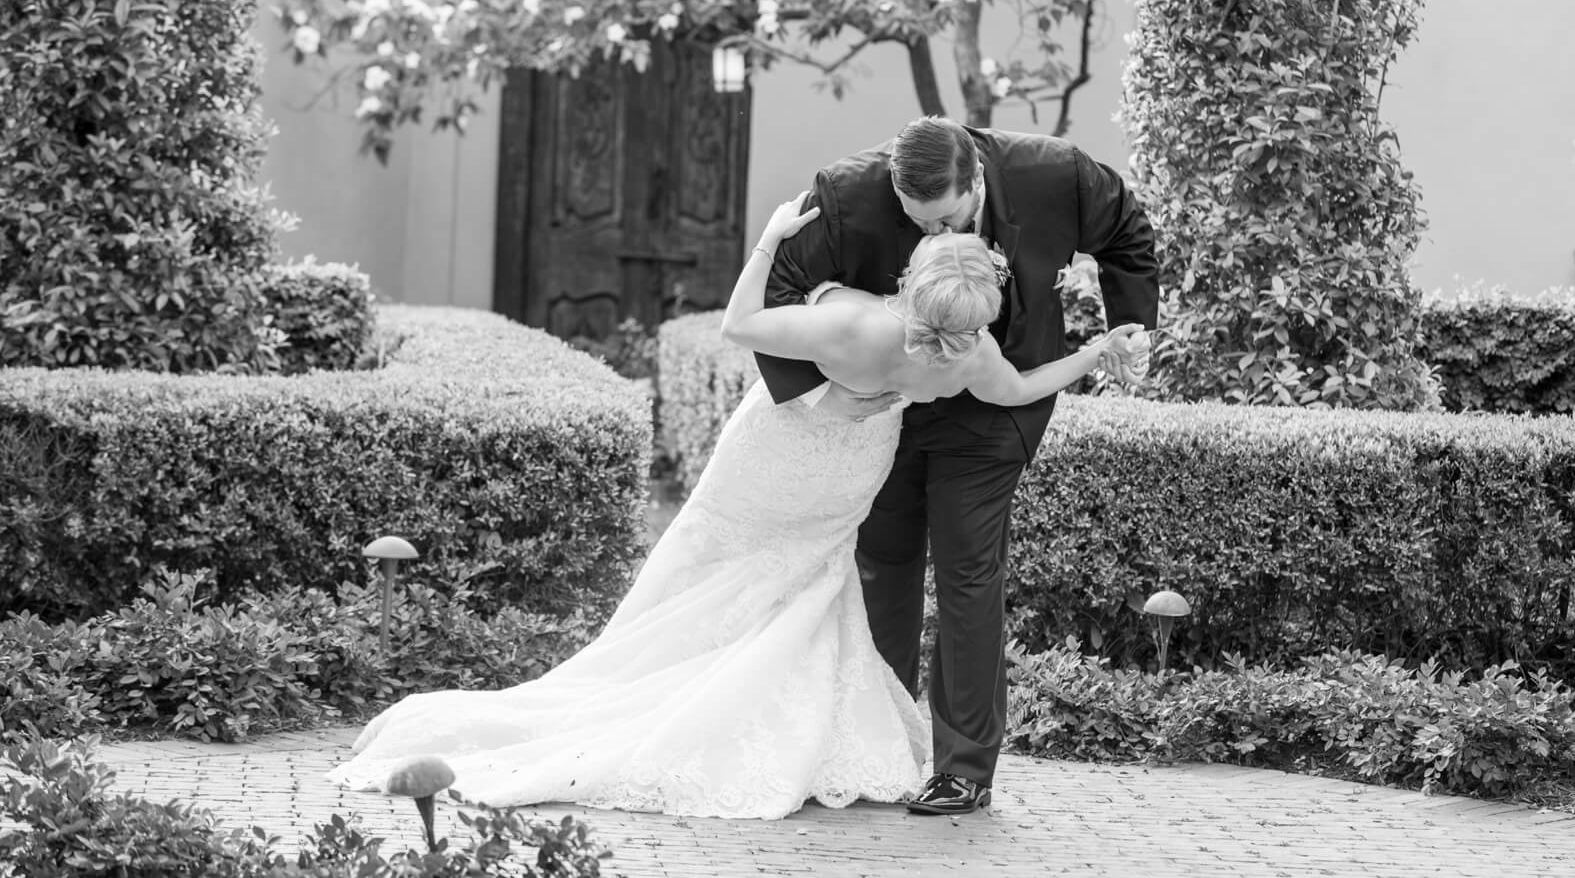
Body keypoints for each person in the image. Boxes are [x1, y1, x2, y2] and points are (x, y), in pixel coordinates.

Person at [327, 193, 1147, 821]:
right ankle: (786, 727)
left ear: (912, 282)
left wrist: (772, 237)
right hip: (849, 472)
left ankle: (682, 691)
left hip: (776, 452)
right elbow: (1023, 389)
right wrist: (1096, 350)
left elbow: (737, 325)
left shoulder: (854, 323)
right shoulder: (971, 356)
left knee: (705, 566)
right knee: (807, 586)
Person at [757, 115, 1158, 815]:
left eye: (945, 220)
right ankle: (875, 750)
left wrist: (1128, 328)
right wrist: (826, 395)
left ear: (975, 178)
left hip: (997, 401)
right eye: (915, 222)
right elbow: (778, 288)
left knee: (969, 572)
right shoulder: (845, 194)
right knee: (882, 567)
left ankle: (963, 770)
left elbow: (1127, 231)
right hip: (884, 408)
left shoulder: (1054, 174)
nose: (932, 236)